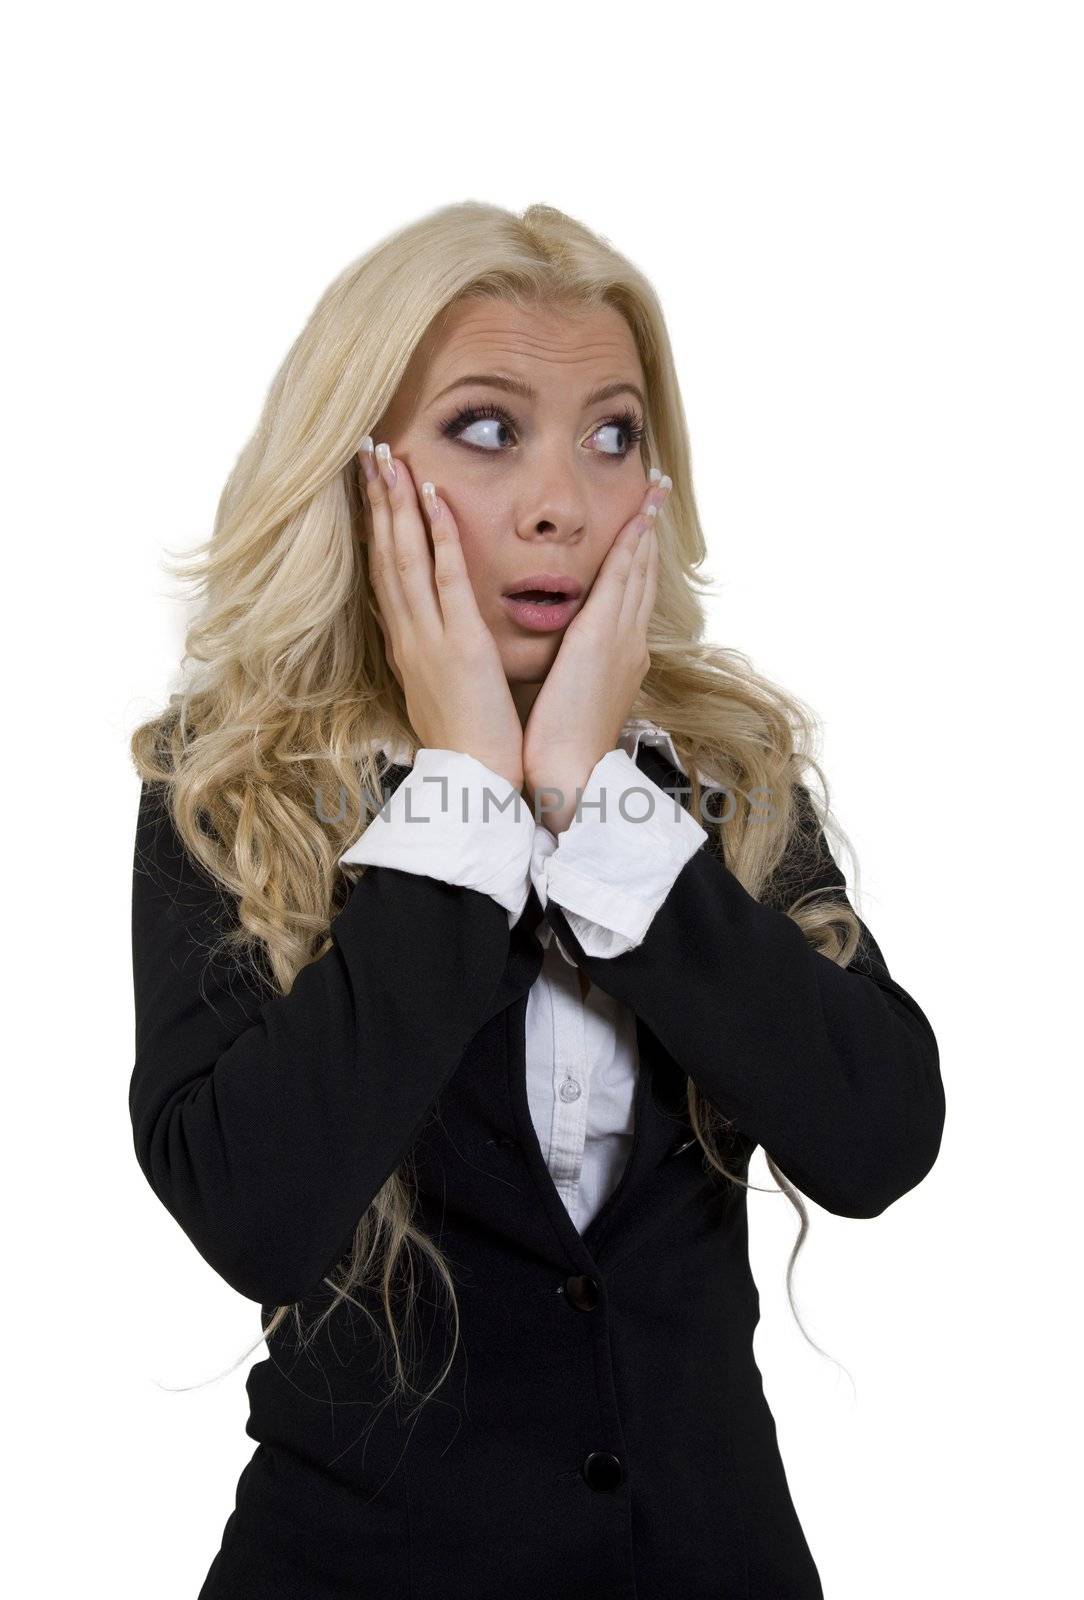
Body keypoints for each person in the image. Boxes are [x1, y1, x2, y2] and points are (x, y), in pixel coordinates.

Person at [128, 200, 945, 1599]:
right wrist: (463, 795)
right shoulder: (229, 788)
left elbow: (880, 1138)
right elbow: (254, 1214)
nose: (563, 497)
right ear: (358, 469)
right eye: (490, 429)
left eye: (613, 434)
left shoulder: (720, 775)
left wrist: (583, 794)